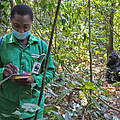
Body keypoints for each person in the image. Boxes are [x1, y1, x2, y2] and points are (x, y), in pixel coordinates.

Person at [0, 4, 55, 120]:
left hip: (33, 109)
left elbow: (50, 71)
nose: (21, 31)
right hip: (6, 109)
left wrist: (35, 79)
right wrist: (3, 72)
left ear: (31, 24)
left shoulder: (41, 47)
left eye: (26, 27)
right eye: (16, 26)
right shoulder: (2, 44)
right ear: (11, 22)